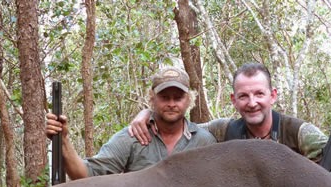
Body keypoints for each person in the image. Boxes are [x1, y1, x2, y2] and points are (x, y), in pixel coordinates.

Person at [129, 62, 331, 187]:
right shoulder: (225, 130)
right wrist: (148, 113)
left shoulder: (297, 131)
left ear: (272, 95)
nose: (252, 103)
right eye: (244, 96)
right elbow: (182, 125)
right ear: (234, 100)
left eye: (259, 94)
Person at [46, 67, 216, 180]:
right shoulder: (131, 137)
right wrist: (64, 140)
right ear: (152, 98)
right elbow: (86, 174)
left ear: (189, 100)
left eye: (178, 98)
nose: (171, 103)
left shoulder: (204, 142)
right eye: (164, 97)